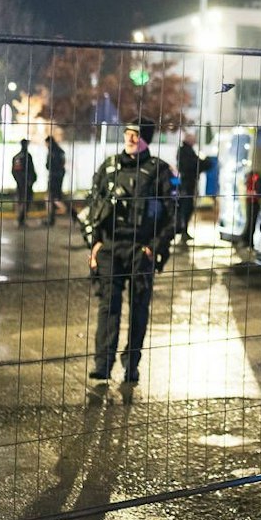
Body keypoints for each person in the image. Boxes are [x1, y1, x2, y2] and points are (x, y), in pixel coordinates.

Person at [84, 120, 178, 383]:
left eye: (135, 135)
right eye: (127, 134)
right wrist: (95, 244)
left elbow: (172, 217)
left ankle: (131, 364)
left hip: (140, 249)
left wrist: (154, 249)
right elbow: (93, 206)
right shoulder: (110, 167)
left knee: (139, 309)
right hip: (111, 248)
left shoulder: (158, 171)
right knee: (108, 306)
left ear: (146, 138)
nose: (130, 139)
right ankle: (103, 364)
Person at [176, 131, 202, 245]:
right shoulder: (184, 151)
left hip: (189, 183)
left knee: (188, 207)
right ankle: (182, 231)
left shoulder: (187, 151)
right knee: (185, 208)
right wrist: (203, 163)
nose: (195, 140)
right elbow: (192, 165)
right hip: (186, 184)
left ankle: (184, 232)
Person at [11, 138, 38, 227]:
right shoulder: (27, 156)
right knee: (26, 201)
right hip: (27, 183)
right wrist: (31, 180)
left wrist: (18, 180)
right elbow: (31, 170)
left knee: (20, 200)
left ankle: (20, 218)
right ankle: (21, 219)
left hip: (20, 183)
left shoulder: (16, 157)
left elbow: (14, 171)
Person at [43, 135, 68, 226]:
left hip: (53, 177)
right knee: (54, 198)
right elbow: (63, 163)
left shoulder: (52, 152)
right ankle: (51, 219)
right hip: (59, 176)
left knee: (51, 198)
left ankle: (70, 213)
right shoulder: (60, 151)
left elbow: (48, 165)